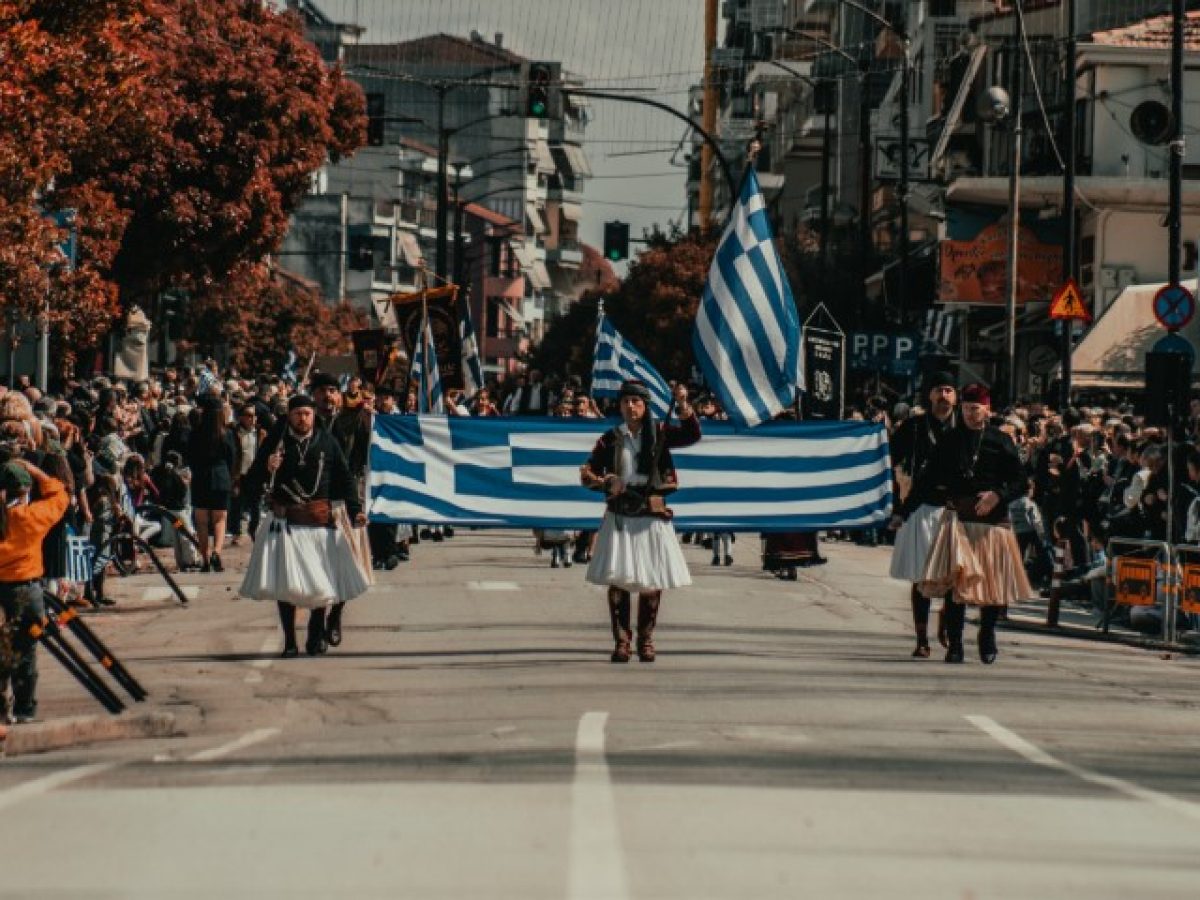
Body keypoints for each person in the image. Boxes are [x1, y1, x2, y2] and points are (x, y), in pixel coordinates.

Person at [903, 383, 1031, 664]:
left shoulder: (1001, 441)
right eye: (965, 409)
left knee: (991, 585)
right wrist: (903, 511)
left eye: (975, 409)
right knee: (956, 585)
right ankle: (956, 644)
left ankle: (987, 635)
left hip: (993, 522)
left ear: (987, 410)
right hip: (959, 519)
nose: (970, 414)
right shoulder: (950, 440)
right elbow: (926, 480)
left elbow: (1021, 481)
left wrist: (998, 495)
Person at [239, 394, 369, 657]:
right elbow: (251, 483)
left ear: (313, 416)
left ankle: (316, 629)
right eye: (298, 413)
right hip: (285, 521)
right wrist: (267, 467)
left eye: (307, 414)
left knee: (319, 581)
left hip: (319, 521)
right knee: (285, 585)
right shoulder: (275, 443)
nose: (303, 418)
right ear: (289, 416)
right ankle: (289, 640)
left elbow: (344, 479)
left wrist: (355, 512)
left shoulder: (327, 443)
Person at [580, 381, 700, 663]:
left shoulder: (659, 433)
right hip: (621, 514)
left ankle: (646, 640)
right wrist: (609, 481)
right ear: (619, 406)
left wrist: (682, 403)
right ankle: (622, 641)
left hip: (651, 513)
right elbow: (587, 473)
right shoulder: (610, 439)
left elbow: (692, 434)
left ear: (645, 405)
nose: (630, 407)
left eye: (636, 402)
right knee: (618, 580)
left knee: (650, 580)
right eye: (625, 402)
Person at [889, 371, 958, 657]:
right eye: (938, 390)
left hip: (956, 510)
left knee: (955, 578)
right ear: (929, 395)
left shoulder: (965, 427)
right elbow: (887, 460)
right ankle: (921, 639)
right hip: (921, 507)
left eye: (948, 390)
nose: (943, 396)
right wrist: (896, 508)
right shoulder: (914, 427)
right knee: (922, 577)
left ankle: (949, 631)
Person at [0, 457, 70, 724]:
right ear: (25, 490)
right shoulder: (30, 517)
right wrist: (35, 470)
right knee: (25, 651)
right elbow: (60, 495)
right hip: (25, 589)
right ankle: (24, 707)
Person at [185, 395, 238, 572]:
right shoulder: (227, 433)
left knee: (201, 521)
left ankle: (205, 558)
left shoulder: (196, 432)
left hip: (201, 477)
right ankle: (217, 552)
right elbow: (232, 457)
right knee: (220, 519)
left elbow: (189, 456)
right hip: (221, 476)